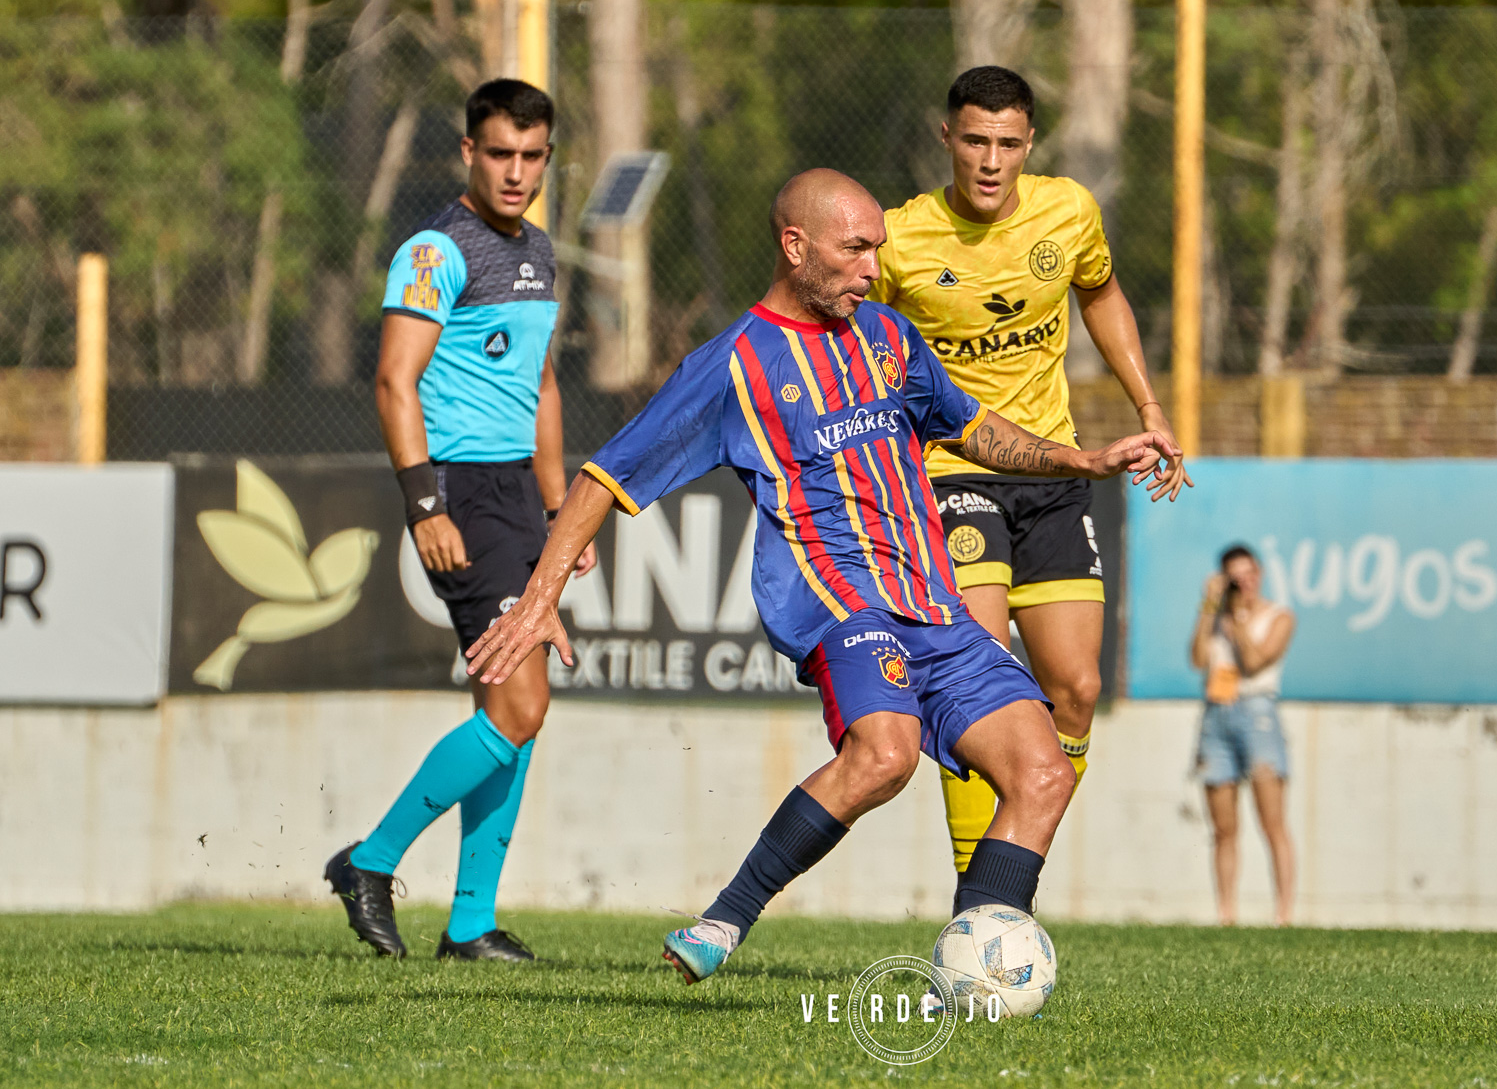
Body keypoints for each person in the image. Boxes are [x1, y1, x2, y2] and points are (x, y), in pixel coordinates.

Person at [464, 168, 1180, 983]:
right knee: (886, 752)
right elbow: (607, 476)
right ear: (794, 246)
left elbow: (972, 427)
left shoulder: (887, 336)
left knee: (1045, 770)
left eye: (877, 248)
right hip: (839, 601)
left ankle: (973, 968)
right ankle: (727, 918)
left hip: (932, 601)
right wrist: (539, 599)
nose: (874, 268)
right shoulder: (731, 366)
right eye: (855, 249)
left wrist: (1078, 459)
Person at [870, 65, 1190, 879]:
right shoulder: (901, 239)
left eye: (1007, 143)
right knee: (980, 674)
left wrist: (1149, 406)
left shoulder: (1068, 211)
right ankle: (983, 897)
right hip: (947, 472)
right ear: (946, 138)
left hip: (1050, 469)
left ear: (1029, 145)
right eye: (974, 140)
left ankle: (1017, 856)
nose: (989, 160)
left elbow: (1103, 293)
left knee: (1076, 687)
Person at [323, 79, 597, 963]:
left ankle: (471, 924)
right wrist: (425, 503)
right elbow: (392, 380)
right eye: (499, 155)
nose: (516, 173)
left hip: (519, 495)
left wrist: (563, 511)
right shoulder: (435, 250)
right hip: (462, 494)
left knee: (510, 707)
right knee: (520, 702)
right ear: (469, 154)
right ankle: (369, 862)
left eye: (532, 156)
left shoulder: (542, 250)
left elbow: (542, 385)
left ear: (547, 158)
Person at [1191, 544, 1296, 926]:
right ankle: (1226, 912)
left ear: (1260, 573)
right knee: (1223, 826)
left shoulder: (1279, 616)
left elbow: (1253, 662)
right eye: (1235, 578)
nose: (1244, 584)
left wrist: (1235, 619)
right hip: (1217, 713)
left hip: (1258, 713)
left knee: (1272, 821)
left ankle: (1283, 912)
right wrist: (1208, 607)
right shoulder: (1216, 617)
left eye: (1249, 575)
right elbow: (1198, 659)